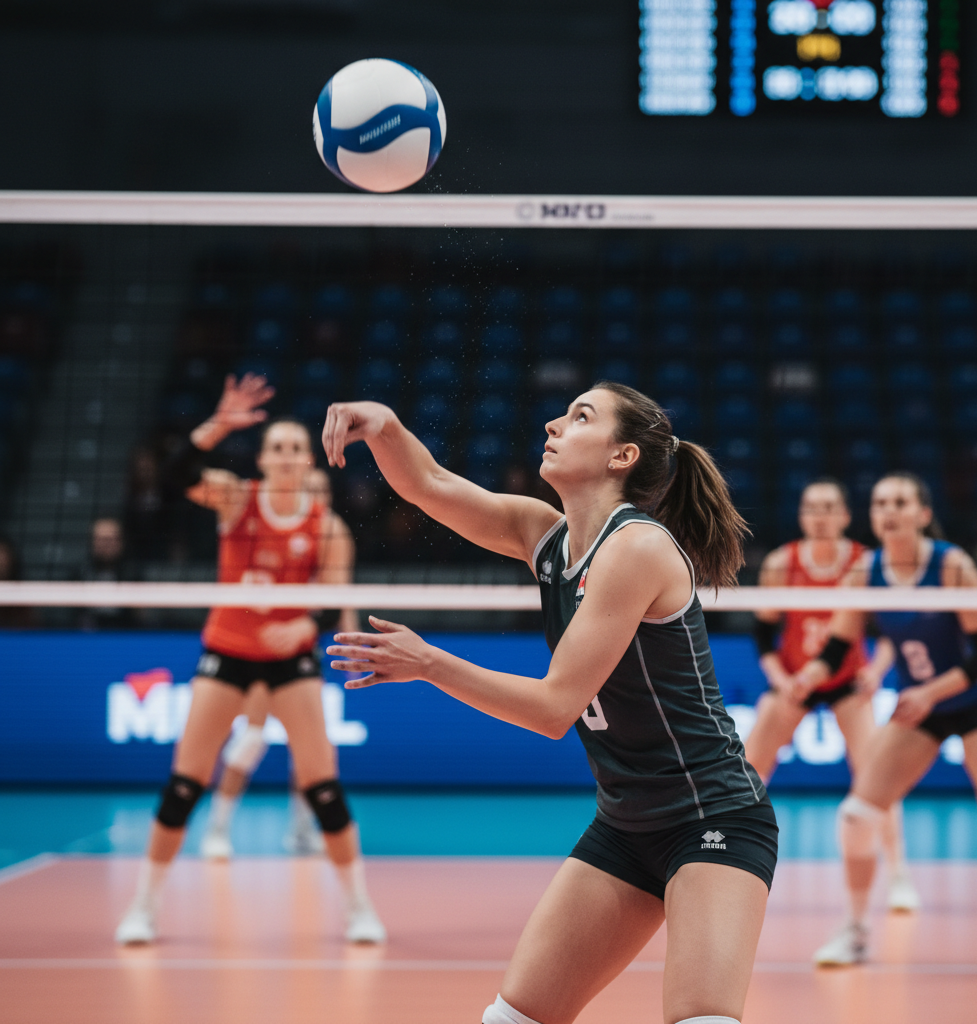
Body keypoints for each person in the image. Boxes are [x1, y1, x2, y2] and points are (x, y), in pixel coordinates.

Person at [322, 382, 778, 1024]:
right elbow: (429, 484)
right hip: (626, 824)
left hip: (715, 817)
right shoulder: (548, 536)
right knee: (513, 1020)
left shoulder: (636, 547)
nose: (552, 423)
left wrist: (429, 663)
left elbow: (553, 707)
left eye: (579, 416)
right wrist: (387, 427)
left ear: (621, 456)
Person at [115, 374, 385, 946]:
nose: (286, 456)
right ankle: (144, 906)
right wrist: (218, 426)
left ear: (307, 460)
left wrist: (302, 624)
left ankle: (359, 907)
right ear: (263, 458)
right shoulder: (236, 498)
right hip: (227, 652)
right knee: (184, 784)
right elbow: (176, 476)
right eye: (277, 447)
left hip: (290, 663)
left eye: (295, 448)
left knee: (324, 788)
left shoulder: (328, 527)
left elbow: (332, 598)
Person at [797, 473, 977, 966]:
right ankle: (856, 931)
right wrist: (806, 676)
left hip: (974, 702)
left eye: (900, 501)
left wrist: (930, 692)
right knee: (856, 817)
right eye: (879, 502)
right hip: (921, 710)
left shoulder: (952, 566)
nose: (888, 510)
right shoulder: (864, 573)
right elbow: (836, 648)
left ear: (922, 513)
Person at [744, 478, 919, 912]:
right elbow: (763, 634)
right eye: (811, 508)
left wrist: (877, 670)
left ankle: (899, 875)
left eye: (829, 508)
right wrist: (781, 681)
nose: (820, 517)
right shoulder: (782, 563)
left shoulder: (865, 564)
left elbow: (893, 631)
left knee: (878, 774)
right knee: (746, 770)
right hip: (794, 681)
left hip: (848, 684)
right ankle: (724, 860)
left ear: (844, 515)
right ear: (802, 516)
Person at [200, 466, 359, 859]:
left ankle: (304, 831)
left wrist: (351, 644)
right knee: (252, 738)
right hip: (257, 650)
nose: (317, 496)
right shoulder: (277, 525)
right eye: (312, 489)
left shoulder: (332, 534)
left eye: (324, 490)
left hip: (302, 652)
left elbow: (341, 596)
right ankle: (217, 828)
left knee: (314, 753)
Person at [75, 518, 138, 630]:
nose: (106, 545)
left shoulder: (134, 575)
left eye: (111, 539)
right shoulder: (78, 575)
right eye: (101, 539)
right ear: (92, 542)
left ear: (121, 542)